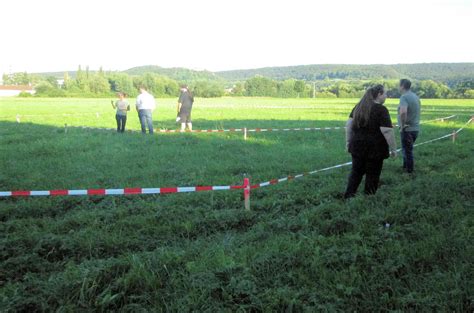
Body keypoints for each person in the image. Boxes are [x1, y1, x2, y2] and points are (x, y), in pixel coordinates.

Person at [344, 84, 397, 198]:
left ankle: (348, 196)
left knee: (356, 173)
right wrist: (393, 149)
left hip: (357, 147)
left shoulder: (359, 107)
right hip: (375, 150)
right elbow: (387, 131)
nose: (386, 96)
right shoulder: (381, 110)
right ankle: (369, 198)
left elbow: (348, 125)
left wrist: (348, 142)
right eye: (385, 94)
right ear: (379, 94)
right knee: (373, 175)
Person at [398, 79, 421, 173]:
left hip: (407, 129)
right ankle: (405, 167)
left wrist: (403, 125)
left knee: (407, 151)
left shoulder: (404, 97)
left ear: (402, 86)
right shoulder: (416, 96)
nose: (398, 87)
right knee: (406, 149)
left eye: (399, 85)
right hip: (416, 128)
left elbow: (403, 112)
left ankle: (409, 172)